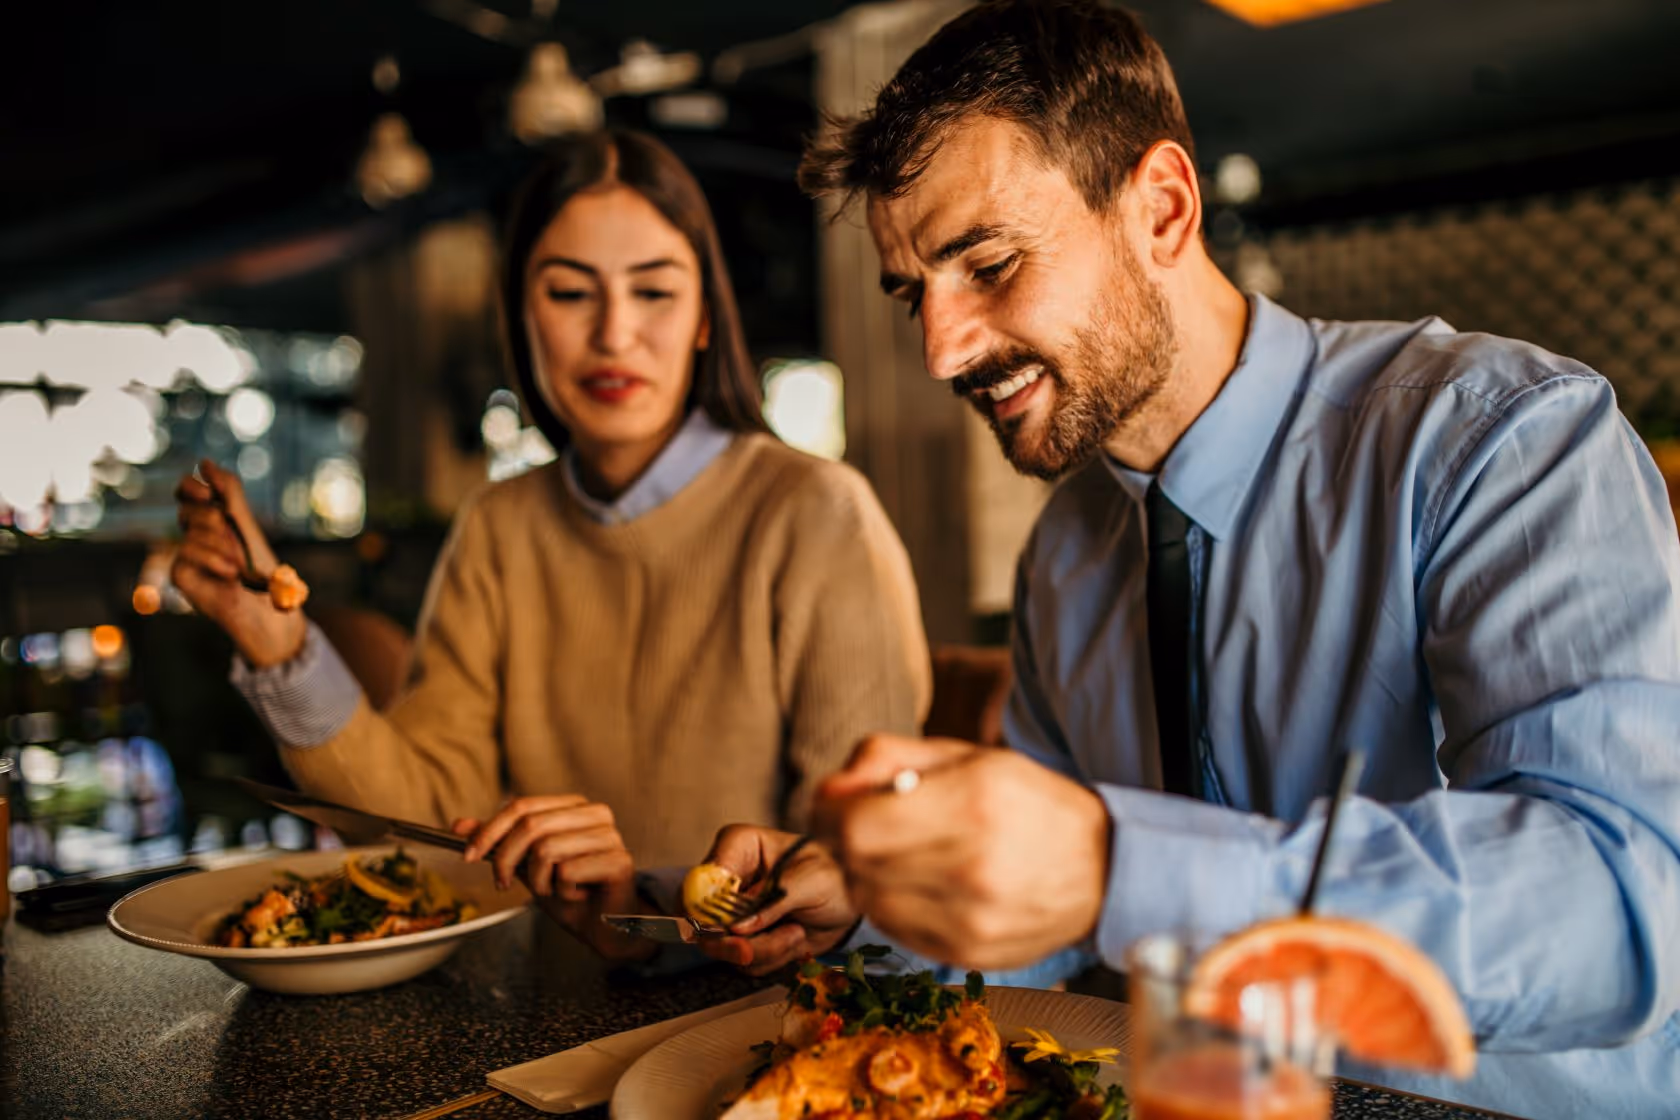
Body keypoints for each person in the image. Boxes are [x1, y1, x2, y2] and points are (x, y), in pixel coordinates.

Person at [689, 4, 1680, 1117]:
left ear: (1161, 207)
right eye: (918, 292)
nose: (940, 348)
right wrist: (879, 909)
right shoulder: (1068, 548)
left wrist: (1120, 867)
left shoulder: (1499, 439)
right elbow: (1049, 919)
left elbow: (1619, 907)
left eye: (991, 264)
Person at [172, 130, 930, 963]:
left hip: (755, 1025)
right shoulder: (498, 525)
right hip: (543, 1007)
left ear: (706, 318)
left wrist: (638, 906)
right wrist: (280, 648)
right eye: (571, 293)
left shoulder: (816, 513)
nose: (613, 334)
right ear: (520, 316)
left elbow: (854, 872)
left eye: (654, 293)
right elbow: (430, 813)